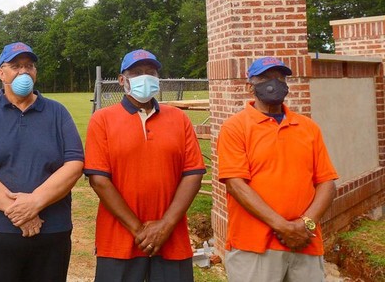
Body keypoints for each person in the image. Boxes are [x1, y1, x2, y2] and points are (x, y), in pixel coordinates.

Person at [0, 42, 84, 282]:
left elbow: (74, 164)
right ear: (1, 73)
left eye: (29, 66)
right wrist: (20, 211)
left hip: (50, 235)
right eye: (16, 66)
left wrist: (35, 202)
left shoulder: (57, 113)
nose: (24, 72)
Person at [84, 49, 205, 282]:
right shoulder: (102, 119)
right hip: (118, 240)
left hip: (172, 239)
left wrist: (165, 225)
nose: (145, 77)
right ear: (122, 80)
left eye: (151, 72)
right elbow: (99, 180)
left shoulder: (178, 118)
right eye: (137, 73)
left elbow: (193, 174)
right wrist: (139, 231)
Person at [217, 56, 338, 281]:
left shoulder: (308, 128)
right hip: (255, 247)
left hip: (305, 242)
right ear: (249, 86)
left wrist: (306, 225)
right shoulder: (235, 128)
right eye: (265, 77)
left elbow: (327, 183)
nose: (274, 83)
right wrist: (283, 227)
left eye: (280, 77)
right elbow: (236, 184)